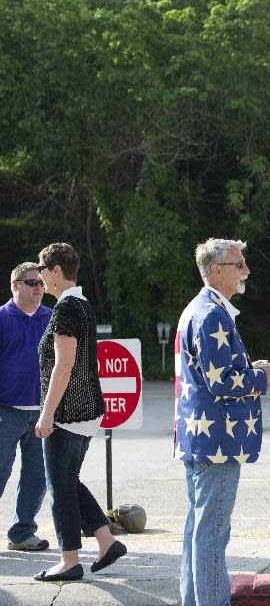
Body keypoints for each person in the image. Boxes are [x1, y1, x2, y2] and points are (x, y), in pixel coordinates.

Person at [175, 238, 270, 605]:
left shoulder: (200, 309)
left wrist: (251, 370)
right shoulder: (211, 314)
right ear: (216, 270)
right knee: (213, 531)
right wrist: (261, 376)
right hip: (216, 439)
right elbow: (220, 380)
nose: (246, 270)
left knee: (199, 527)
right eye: (240, 264)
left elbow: (212, 374)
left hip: (202, 437)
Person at [32, 243, 125, 582]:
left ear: (56, 271)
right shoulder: (81, 303)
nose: (41, 278)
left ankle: (69, 560)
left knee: (59, 486)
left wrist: (47, 414)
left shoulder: (66, 309)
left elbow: (64, 364)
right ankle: (105, 540)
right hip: (85, 410)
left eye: (43, 271)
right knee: (68, 481)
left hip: (68, 413)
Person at [0, 263, 52, 553]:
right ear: (15, 286)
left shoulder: (53, 319)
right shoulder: (2, 318)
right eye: (31, 282)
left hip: (43, 413)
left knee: (37, 476)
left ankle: (21, 534)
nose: (38, 287)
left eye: (42, 282)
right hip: (5, 412)